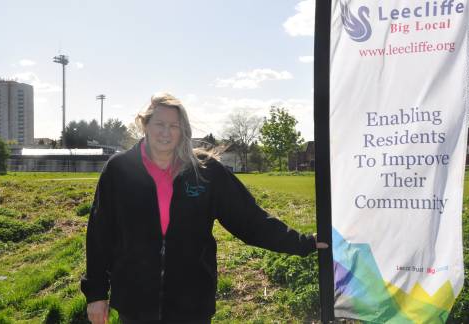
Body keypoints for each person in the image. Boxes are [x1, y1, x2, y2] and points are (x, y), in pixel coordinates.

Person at [80, 93, 328, 324]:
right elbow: (99, 234)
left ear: (183, 130)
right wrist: (96, 294)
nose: (166, 132)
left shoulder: (205, 171)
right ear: (145, 125)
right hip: (135, 303)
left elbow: (251, 221)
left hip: (192, 304)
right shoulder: (119, 169)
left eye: (174, 126)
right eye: (159, 124)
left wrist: (303, 243)